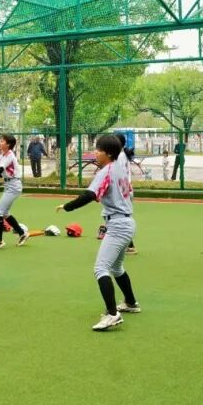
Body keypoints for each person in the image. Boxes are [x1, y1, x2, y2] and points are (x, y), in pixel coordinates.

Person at [56, 134, 139, 332]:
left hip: (118, 225)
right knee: (116, 267)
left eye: (98, 150)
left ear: (108, 153)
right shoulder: (119, 168)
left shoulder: (106, 171)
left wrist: (67, 206)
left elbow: (90, 195)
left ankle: (112, 314)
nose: (96, 153)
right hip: (126, 222)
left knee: (100, 268)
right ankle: (130, 302)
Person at [0, 134, 30, 250]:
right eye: (0, 140)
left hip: (14, 185)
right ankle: (22, 233)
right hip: (9, 184)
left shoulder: (10, 156)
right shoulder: (2, 156)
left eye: (2, 141)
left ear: (8, 144)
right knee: (4, 213)